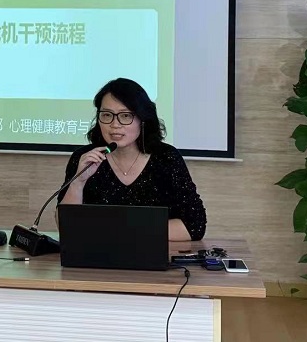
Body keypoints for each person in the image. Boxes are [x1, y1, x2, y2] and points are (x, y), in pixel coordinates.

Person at [57, 78, 207, 241]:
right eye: (107, 115)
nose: (115, 124)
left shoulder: (166, 158)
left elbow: (194, 226)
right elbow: (66, 227)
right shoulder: (86, 159)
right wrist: (78, 183)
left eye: (125, 116)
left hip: (153, 254)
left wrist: (123, 231)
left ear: (142, 119)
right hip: (97, 254)